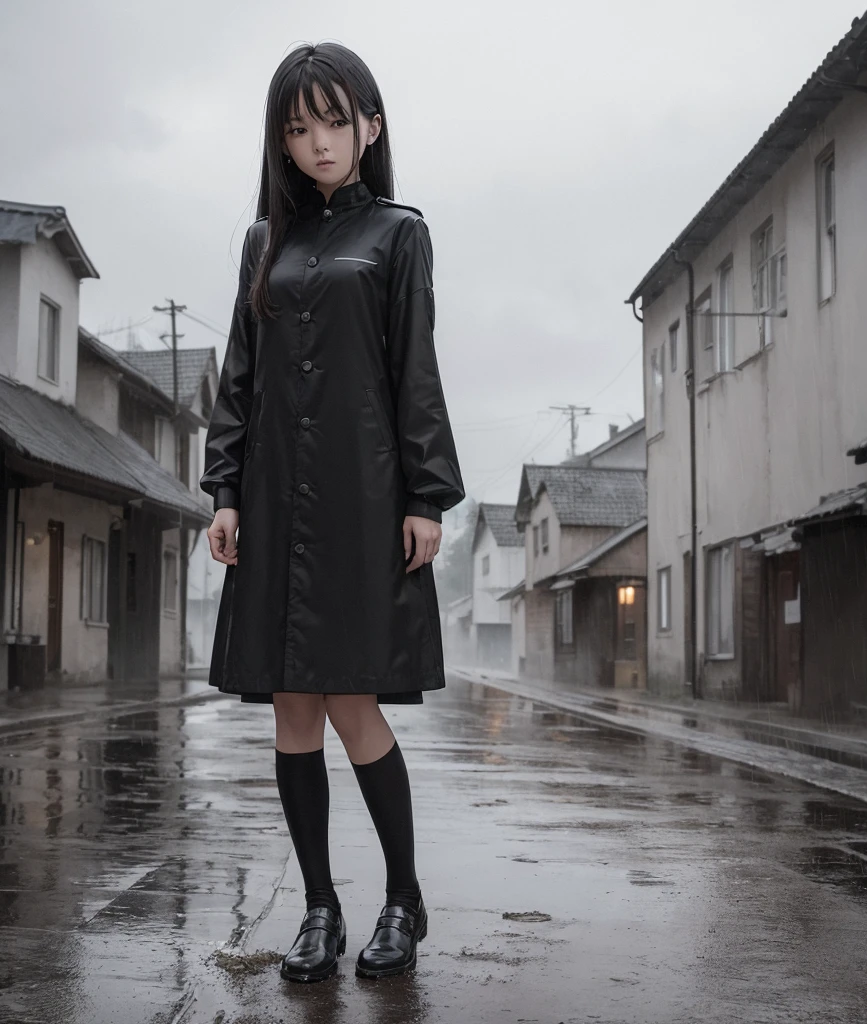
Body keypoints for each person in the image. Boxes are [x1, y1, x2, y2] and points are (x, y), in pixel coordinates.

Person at [200, 40, 465, 983]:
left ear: (370, 125)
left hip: (363, 495)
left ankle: (404, 898)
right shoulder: (262, 244)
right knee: (291, 709)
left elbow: (414, 369)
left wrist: (427, 494)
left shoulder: (398, 234)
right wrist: (223, 487)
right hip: (272, 499)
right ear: (282, 138)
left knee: (355, 703)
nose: (317, 142)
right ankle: (319, 909)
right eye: (298, 126)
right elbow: (240, 374)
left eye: (333, 121)